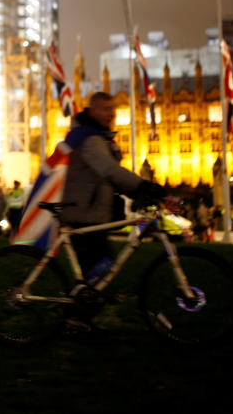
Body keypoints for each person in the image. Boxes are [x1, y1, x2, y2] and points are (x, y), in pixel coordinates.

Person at [59, 92, 165, 327]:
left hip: (92, 213)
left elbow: (109, 178)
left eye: (113, 110)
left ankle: (78, 317)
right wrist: (142, 185)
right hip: (83, 214)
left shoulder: (98, 136)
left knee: (100, 273)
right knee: (101, 271)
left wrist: (137, 193)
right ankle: (75, 318)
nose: (111, 115)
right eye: (106, 109)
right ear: (93, 110)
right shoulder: (88, 138)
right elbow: (108, 170)